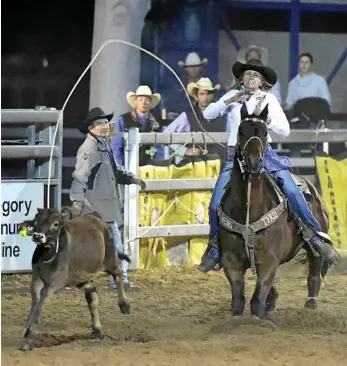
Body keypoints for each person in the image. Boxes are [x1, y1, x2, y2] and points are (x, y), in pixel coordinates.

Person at [197, 59, 335, 273]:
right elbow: (207, 114)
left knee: (290, 188)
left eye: (256, 75)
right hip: (235, 156)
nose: (251, 78)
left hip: (264, 154)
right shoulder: (232, 98)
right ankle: (215, 248)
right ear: (242, 78)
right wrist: (230, 99)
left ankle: (314, 235)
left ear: (261, 81)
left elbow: (285, 129)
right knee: (215, 204)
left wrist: (264, 121)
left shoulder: (268, 99)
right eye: (248, 74)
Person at [70, 107, 146, 291]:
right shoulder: (90, 148)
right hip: (96, 207)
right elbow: (81, 177)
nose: (104, 126)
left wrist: (131, 178)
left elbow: (114, 170)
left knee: (100, 243)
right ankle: (120, 281)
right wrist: (77, 204)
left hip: (101, 206)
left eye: (105, 123)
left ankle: (108, 279)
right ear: (91, 128)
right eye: (99, 124)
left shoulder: (101, 146)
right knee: (112, 242)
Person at [163, 77, 227, 163]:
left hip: (219, 163)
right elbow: (165, 134)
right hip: (195, 165)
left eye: (208, 94)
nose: (205, 97)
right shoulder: (188, 115)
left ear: (213, 95)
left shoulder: (222, 113)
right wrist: (185, 151)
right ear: (196, 96)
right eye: (202, 94)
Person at [110, 85, 163, 167]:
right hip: (128, 167)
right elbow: (116, 146)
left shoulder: (156, 123)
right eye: (140, 99)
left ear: (151, 103)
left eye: (147, 100)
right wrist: (120, 167)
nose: (144, 102)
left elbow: (159, 147)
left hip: (149, 168)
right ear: (136, 101)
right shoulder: (123, 120)